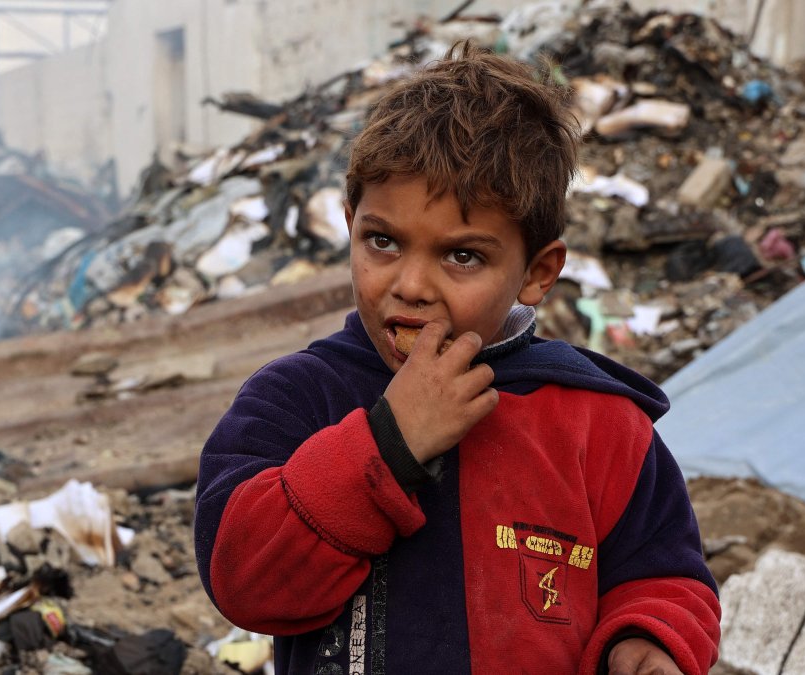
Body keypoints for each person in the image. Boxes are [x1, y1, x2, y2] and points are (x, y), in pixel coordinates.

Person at [194, 43, 720, 675]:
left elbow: (664, 574)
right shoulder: (299, 398)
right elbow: (243, 580)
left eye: (462, 256)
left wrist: (645, 641)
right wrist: (388, 444)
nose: (411, 284)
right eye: (382, 241)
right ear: (350, 224)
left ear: (537, 272)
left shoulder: (596, 424)